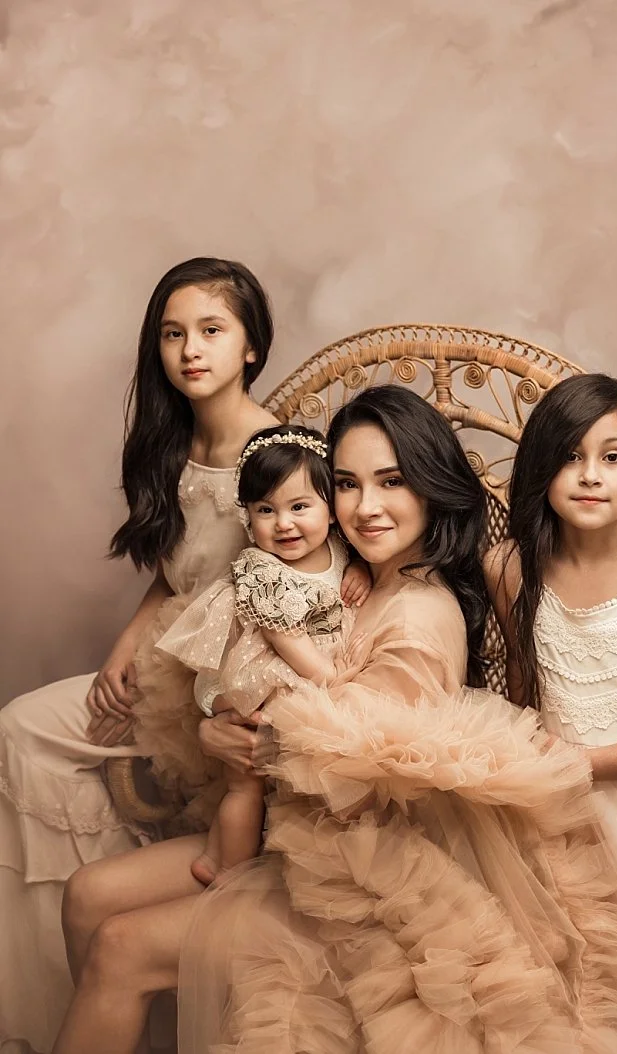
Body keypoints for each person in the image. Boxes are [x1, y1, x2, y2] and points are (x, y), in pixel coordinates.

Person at [53, 385, 617, 1054]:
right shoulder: (345, 574)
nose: (366, 507)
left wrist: (236, 741)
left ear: (430, 487)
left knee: (121, 946)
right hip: (296, 841)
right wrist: (215, 724)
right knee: (89, 892)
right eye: (346, 484)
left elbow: (354, 780)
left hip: (364, 886)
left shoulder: (419, 617)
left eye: (391, 482)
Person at [0, 256, 281, 1053]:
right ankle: (43, 994)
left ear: (250, 346)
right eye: (172, 334)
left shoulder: (275, 452)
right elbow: (172, 574)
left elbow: (301, 575)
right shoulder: (170, 444)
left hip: (223, 676)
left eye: (211, 331)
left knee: (42, 736)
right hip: (164, 656)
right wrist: (126, 645)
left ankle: (126, 938)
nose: (190, 350)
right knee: (22, 731)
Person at [486, 373, 617, 1053]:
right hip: (555, 815)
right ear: (543, 470)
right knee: (576, 994)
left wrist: (582, 765)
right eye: (569, 457)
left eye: (612, 457)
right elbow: (525, 697)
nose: (588, 475)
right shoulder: (510, 570)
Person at [150, 423, 369, 886]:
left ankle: (227, 850)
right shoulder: (260, 569)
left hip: (301, 671)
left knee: (280, 783)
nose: (284, 523)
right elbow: (286, 640)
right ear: (249, 518)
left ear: (331, 511)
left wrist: (361, 575)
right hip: (263, 678)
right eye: (265, 510)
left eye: (299, 507)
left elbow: (343, 579)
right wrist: (330, 680)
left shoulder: (338, 549)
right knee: (244, 782)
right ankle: (224, 869)